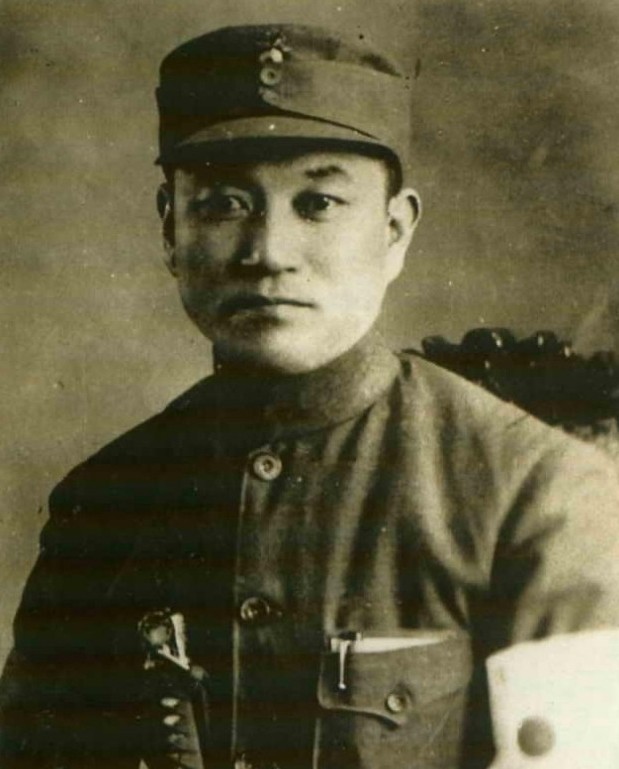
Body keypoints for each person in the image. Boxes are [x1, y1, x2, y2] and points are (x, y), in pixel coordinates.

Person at [2, 22, 619, 769]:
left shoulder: (535, 495)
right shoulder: (103, 505)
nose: (268, 253)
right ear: (170, 230)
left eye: (319, 203)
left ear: (394, 230)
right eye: (224, 204)